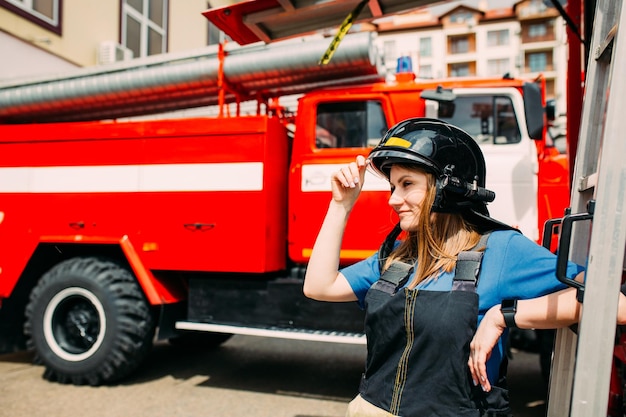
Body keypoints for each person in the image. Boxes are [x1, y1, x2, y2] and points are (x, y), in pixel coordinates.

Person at [303, 117, 626, 417]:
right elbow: (319, 287)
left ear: (447, 186)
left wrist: (505, 316)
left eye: (407, 184)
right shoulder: (399, 257)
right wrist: (341, 205)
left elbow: (614, 301)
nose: (393, 199)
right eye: (392, 186)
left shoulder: (501, 249)